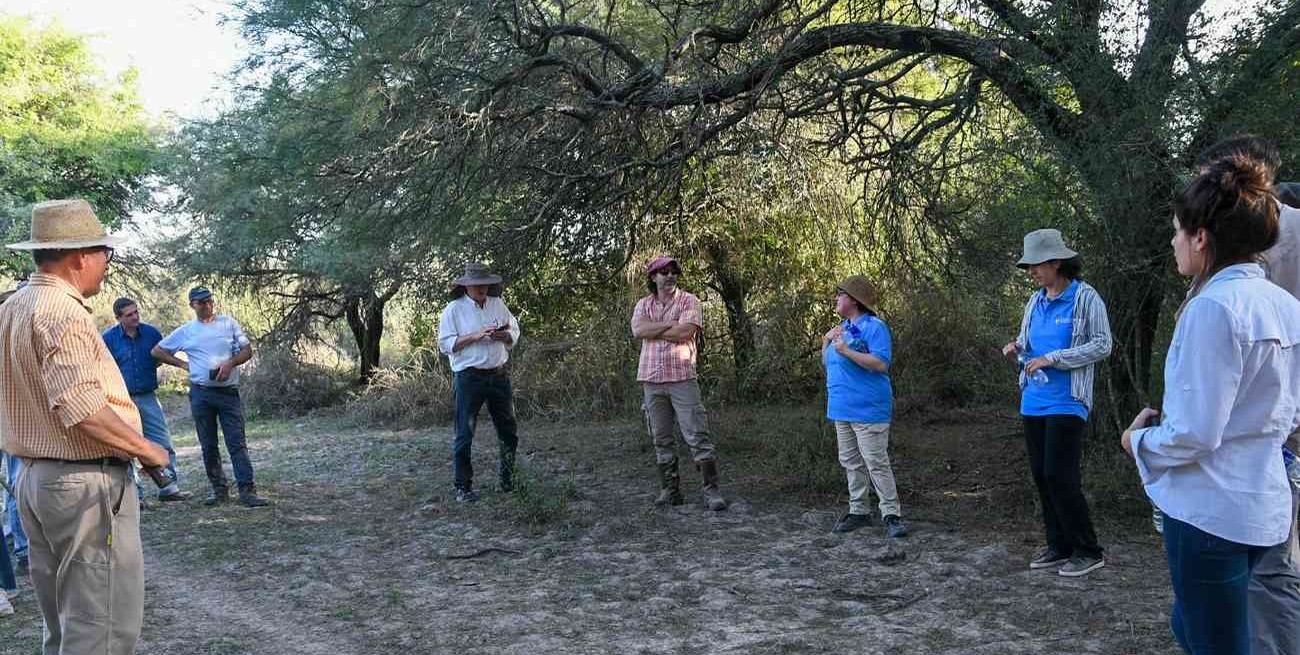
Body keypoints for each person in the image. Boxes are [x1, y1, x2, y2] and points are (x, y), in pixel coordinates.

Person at [1122, 152, 1300, 655]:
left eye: (1177, 231)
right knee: (1194, 624)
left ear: (1201, 237)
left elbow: (1195, 434)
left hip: (1210, 513)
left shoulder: (1213, 308)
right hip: (1262, 506)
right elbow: (1291, 412)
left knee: (1213, 639)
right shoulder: (1286, 306)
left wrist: (1136, 441)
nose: (1173, 243)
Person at [0, 198, 170, 653]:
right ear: (79, 256)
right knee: (101, 630)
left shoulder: (14, 307)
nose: (106, 263)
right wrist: (147, 450)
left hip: (34, 480)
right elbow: (82, 406)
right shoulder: (62, 311)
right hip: (81, 486)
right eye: (104, 252)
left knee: (64, 624)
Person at [1185, 136, 1300, 655]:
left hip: (1267, 439)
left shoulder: (1276, 238)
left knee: (1269, 571)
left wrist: (1144, 444)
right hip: (1257, 435)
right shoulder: (1234, 241)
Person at [1001, 228, 1112, 577]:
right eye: (1029, 266)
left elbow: (1102, 344)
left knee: (1059, 474)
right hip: (1033, 400)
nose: (1032, 271)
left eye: (1037, 264)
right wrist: (1017, 349)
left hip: (1068, 400)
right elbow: (1027, 342)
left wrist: (1054, 358)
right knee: (1041, 475)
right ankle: (1059, 545)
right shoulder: (1034, 302)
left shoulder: (1085, 298)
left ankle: (1088, 549)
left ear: (1057, 262)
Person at [152, 287, 269, 507]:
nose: (206, 305)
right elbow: (157, 351)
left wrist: (230, 363)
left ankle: (247, 491)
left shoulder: (228, 323)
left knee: (237, 443)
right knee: (208, 445)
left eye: (209, 300)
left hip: (228, 393)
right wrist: (183, 365)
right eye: (201, 302)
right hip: (201, 394)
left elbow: (247, 350)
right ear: (192, 305)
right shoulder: (187, 331)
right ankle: (219, 491)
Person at [631, 255, 726, 511]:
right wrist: (670, 325)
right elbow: (638, 331)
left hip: (682, 377)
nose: (670, 276)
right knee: (660, 437)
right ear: (653, 277)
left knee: (697, 434)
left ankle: (711, 491)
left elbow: (686, 332)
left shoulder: (689, 301)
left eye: (674, 272)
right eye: (664, 272)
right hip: (651, 379)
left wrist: (655, 328)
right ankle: (670, 491)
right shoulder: (643, 304)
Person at [822, 275, 906, 538]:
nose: (836, 298)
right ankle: (859, 511)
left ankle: (891, 514)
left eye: (840, 294)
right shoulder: (842, 328)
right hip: (841, 408)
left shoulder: (875, 327)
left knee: (875, 462)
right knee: (850, 462)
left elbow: (881, 363)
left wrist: (846, 351)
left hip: (868, 408)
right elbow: (828, 364)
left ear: (854, 300)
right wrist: (826, 341)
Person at [436, 263, 521, 502]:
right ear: (466, 286)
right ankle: (463, 487)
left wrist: (503, 335)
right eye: (476, 285)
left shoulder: (497, 304)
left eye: (484, 284)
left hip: (499, 376)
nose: (481, 288)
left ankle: (508, 481)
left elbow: (514, 331)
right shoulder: (453, 309)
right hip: (469, 378)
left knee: (508, 432)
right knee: (464, 434)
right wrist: (475, 336)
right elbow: (445, 344)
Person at [102, 297, 190, 502]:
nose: (135, 317)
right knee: (126, 446)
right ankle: (135, 496)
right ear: (118, 318)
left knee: (162, 440)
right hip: (121, 400)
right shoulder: (108, 339)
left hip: (147, 396)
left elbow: (159, 358)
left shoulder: (151, 333)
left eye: (136, 312)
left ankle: (169, 488)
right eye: (129, 315)